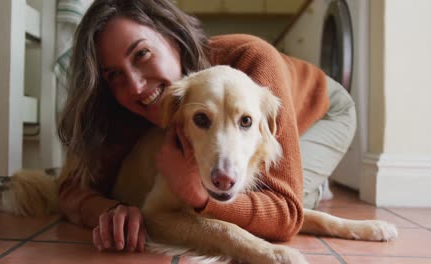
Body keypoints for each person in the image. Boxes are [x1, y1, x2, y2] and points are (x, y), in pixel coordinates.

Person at [56, 0, 356, 253]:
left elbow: (285, 216)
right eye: (113, 74)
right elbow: (68, 190)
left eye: (142, 54)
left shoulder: (252, 62)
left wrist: (197, 195)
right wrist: (109, 210)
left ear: (171, 37)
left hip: (326, 113)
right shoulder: (131, 107)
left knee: (274, 201)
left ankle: (308, 183)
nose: (135, 86)